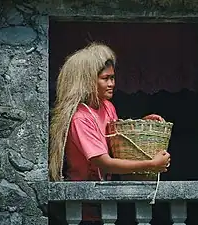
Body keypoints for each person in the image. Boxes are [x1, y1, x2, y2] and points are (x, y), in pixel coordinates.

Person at [49, 42, 171, 224]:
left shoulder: (108, 107)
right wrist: (150, 164)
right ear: (88, 80)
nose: (112, 83)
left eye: (113, 78)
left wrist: (142, 124)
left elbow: (117, 141)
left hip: (104, 203)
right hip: (81, 209)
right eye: (105, 78)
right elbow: (104, 163)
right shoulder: (80, 118)